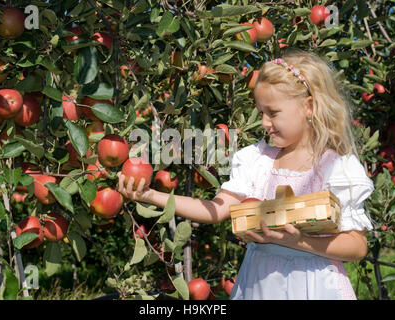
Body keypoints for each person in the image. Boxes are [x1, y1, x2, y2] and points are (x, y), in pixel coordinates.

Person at [116, 48, 375, 300]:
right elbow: (216, 209)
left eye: (273, 113)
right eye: (261, 112)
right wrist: (150, 195)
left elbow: (356, 246)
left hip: (314, 286)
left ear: (308, 107)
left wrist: (298, 241)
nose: (264, 122)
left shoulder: (336, 167)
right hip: (259, 285)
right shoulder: (257, 159)